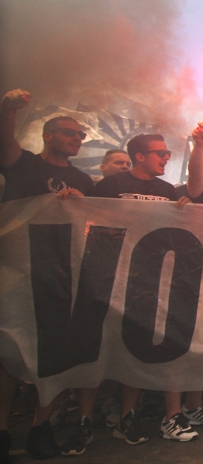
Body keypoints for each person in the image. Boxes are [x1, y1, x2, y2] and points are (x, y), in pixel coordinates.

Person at [91, 128, 203, 442]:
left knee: (141, 347)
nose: (166, 157)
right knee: (111, 347)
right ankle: (108, 414)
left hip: (153, 281)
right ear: (140, 156)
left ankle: (131, 417)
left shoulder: (166, 189)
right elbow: (93, 219)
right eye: (160, 153)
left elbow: (195, 187)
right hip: (114, 278)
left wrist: (198, 149)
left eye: (168, 153)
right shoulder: (111, 185)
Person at [0, 90, 96, 459]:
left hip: (58, 274)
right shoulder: (23, 164)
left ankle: (41, 425)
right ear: (48, 135)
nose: (77, 138)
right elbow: (5, 142)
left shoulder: (83, 181)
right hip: (16, 270)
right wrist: (8, 109)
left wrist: (81, 207)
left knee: (53, 351)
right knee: (9, 351)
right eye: (69, 132)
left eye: (81, 135)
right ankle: (4, 427)